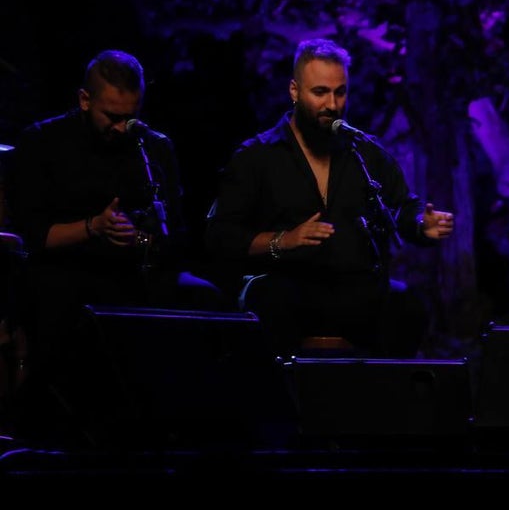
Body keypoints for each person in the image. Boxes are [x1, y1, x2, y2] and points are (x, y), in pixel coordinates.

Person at [5, 49, 223, 439]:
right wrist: (94, 227)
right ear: (85, 100)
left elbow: (176, 233)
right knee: (62, 302)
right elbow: (34, 236)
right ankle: (57, 428)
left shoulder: (154, 147)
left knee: (206, 299)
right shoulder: (42, 142)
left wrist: (141, 237)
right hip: (67, 267)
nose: (123, 128)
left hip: (136, 268)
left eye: (131, 116)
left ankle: (184, 432)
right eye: (112, 117)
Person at [204, 38, 453, 360]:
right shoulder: (257, 156)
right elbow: (221, 236)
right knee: (268, 299)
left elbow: (402, 205)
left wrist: (421, 223)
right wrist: (284, 240)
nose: (332, 105)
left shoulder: (364, 151)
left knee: (405, 306)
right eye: (320, 92)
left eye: (340, 92)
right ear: (294, 91)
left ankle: (382, 402)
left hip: (354, 289)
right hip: (288, 287)